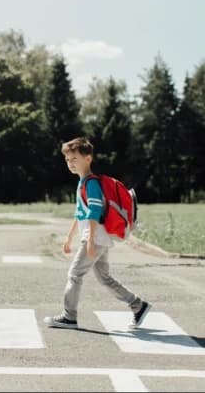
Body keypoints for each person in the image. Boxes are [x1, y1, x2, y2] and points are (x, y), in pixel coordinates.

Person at [43, 137, 150, 330]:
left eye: (74, 158)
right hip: (98, 237)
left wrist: (90, 241)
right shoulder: (83, 183)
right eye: (67, 160)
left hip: (96, 237)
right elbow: (80, 214)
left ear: (88, 158)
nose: (70, 163)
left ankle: (69, 317)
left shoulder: (91, 184)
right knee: (104, 277)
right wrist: (69, 237)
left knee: (75, 274)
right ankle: (138, 306)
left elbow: (94, 212)